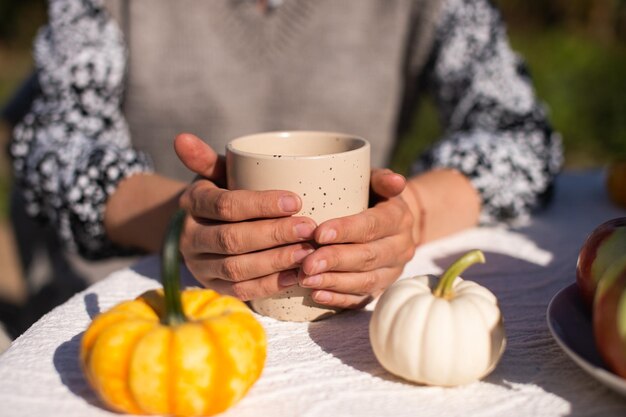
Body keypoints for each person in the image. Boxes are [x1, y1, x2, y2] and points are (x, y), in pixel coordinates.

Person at [8, 0, 562, 309]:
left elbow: (521, 135)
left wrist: (409, 213)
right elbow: (54, 144)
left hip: (340, 312)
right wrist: (183, 224)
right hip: (134, 304)